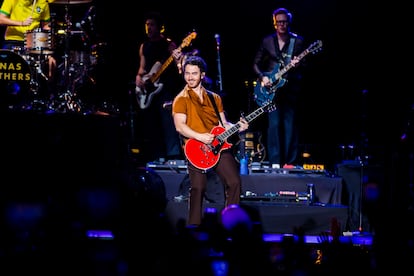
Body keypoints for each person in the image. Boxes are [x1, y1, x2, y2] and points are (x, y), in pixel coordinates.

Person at [172, 55, 249, 226]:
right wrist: (200, 137)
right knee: (198, 188)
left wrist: (237, 126)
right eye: (187, 73)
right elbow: (180, 126)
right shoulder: (181, 99)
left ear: (202, 75)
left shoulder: (215, 98)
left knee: (234, 182)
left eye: (194, 73)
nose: (190, 77)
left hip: (218, 145)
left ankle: (232, 224)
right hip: (196, 148)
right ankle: (194, 227)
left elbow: (223, 124)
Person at [253, 7, 306, 168]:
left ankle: (290, 162)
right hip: (271, 90)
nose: (282, 25)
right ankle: (275, 162)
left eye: (284, 22)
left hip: (290, 90)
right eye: (279, 22)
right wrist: (263, 77)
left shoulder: (297, 42)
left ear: (289, 22)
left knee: (290, 126)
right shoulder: (267, 41)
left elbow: (305, 65)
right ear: (274, 23)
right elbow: (256, 64)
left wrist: (297, 64)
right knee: (274, 125)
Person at [135, 11, 184, 162]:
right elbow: (142, 68)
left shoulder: (168, 44)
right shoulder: (144, 46)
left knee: (168, 123)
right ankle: (156, 156)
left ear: (159, 27)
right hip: (149, 90)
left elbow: (178, 62)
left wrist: (179, 59)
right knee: (152, 125)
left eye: (152, 25)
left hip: (165, 88)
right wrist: (138, 78)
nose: (148, 28)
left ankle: (173, 155)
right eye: (147, 25)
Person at [0, 0, 57, 108]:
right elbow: (0, 19)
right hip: (13, 40)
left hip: (33, 43)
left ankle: (39, 99)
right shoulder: (11, 0)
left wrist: (50, 48)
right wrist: (21, 22)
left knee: (49, 63)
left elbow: (46, 26)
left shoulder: (43, 3)